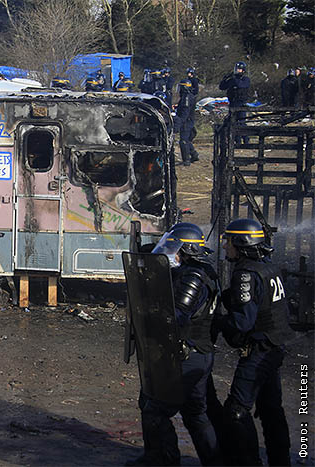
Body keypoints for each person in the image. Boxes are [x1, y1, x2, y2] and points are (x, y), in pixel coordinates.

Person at [128, 224, 222, 466]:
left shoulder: (193, 277)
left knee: (154, 408)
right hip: (196, 353)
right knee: (194, 414)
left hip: (187, 354)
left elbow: (176, 316)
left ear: (187, 251)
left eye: (174, 249)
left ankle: (162, 460)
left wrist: (151, 312)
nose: (170, 254)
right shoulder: (199, 271)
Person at [216, 218, 291, 466]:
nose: (225, 246)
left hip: (259, 349)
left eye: (228, 241)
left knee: (237, 410)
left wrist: (218, 322)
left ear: (241, 243)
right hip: (275, 347)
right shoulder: (268, 266)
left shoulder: (246, 273)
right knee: (271, 409)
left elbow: (242, 323)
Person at [219, 61, 251, 145]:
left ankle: (246, 140)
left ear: (243, 70)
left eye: (239, 69)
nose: (237, 71)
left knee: (241, 122)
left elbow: (241, 85)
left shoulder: (245, 79)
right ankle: (237, 140)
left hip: (241, 104)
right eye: (236, 69)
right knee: (232, 122)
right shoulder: (232, 80)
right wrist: (225, 79)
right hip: (233, 103)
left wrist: (234, 80)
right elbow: (222, 87)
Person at [175, 79, 199, 166]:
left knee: (183, 141)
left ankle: (186, 160)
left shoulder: (186, 97)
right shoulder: (188, 96)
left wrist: (180, 121)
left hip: (186, 121)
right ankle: (194, 154)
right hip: (188, 120)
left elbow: (185, 111)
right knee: (187, 139)